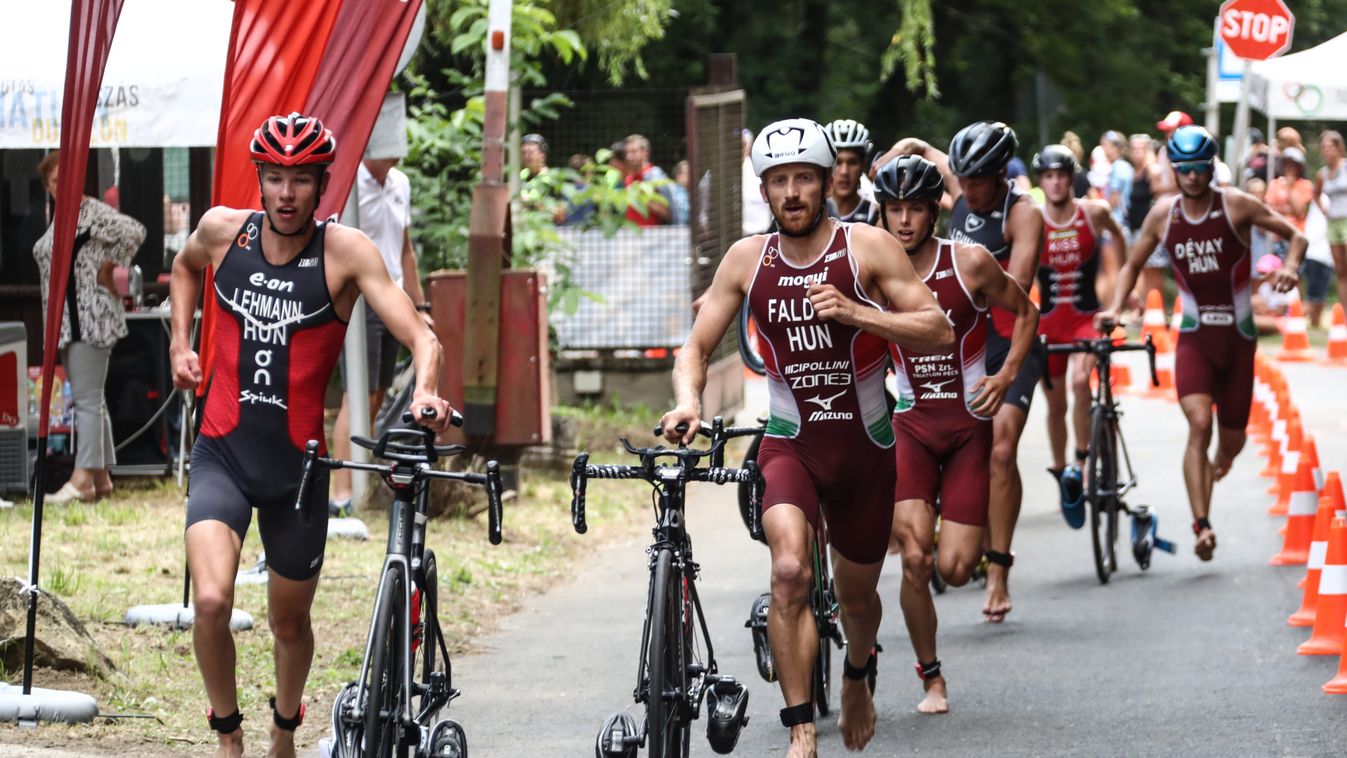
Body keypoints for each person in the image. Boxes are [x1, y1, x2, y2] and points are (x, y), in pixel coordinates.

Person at [661, 118, 952, 757]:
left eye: (803, 179)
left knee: (857, 599)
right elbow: (697, 344)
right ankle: (799, 727)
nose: (791, 192)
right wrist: (688, 400)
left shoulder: (868, 247)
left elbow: (937, 330)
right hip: (791, 443)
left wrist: (857, 313)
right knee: (789, 569)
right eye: (778, 181)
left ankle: (855, 675)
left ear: (824, 183)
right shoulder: (747, 258)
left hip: (865, 452)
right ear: (763, 190)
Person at [168, 113, 452, 758]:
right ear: (260, 182)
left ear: (321, 184)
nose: (286, 193)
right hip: (223, 452)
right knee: (211, 600)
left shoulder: (345, 252)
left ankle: (285, 730)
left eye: (300, 180)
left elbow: (420, 336)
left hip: (299, 468)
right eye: (274, 178)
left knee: (288, 624)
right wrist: (181, 343)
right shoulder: (222, 232)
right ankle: (229, 737)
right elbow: (184, 269)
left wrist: (427, 390)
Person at [873, 155, 1037, 715]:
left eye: (914, 209)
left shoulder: (970, 263)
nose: (903, 221)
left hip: (969, 428)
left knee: (955, 569)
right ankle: (932, 677)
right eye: (893, 209)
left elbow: (1027, 311)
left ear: (932, 212)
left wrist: (1007, 373)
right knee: (915, 560)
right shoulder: (872, 273)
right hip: (912, 426)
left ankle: (955, 532)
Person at [1095, 125, 1304, 562]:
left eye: (1199, 169)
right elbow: (1132, 264)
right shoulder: (1162, 215)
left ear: (1211, 168)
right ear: (1173, 168)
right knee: (1197, 424)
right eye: (1183, 169)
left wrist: (1290, 266)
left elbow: (1296, 237)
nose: (1191, 177)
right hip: (1193, 338)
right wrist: (1115, 308)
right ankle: (1202, 525)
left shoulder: (1236, 206)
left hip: (1239, 340)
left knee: (1231, 442)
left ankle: (1219, 466)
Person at [31, 151, 146, 503]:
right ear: (48, 187)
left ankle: (82, 479)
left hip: (88, 318)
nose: (58, 186)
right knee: (92, 400)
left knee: (87, 400)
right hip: (68, 322)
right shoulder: (61, 217)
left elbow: (134, 231)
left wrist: (109, 268)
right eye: (53, 181)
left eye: (64, 178)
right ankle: (101, 479)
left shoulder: (90, 212)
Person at [327, 152, 434, 514]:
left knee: (376, 396)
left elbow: (405, 251)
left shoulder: (401, 182)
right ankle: (341, 494)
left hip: (396, 296)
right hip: (360, 298)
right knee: (355, 396)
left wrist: (420, 308)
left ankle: (361, 481)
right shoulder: (350, 180)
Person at [1031, 145, 1123, 525]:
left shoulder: (1093, 212)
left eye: (1061, 175)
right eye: (1048, 176)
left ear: (1071, 178)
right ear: (1042, 181)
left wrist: (1117, 292)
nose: (1055, 183)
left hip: (1087, 317)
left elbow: (1121, 240)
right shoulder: (1032, 220)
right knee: (1055, 406)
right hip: (1049, 322)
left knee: (1082, 380)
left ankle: (1082, 463)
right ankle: (1061, 473)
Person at [1313, 130, 1347, 311]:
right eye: (1323, 147)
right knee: (1341, 271)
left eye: (1330, 147)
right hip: (1332, 223)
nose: (1326, 151)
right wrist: (1324, 210)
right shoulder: (1322, 173)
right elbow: (1316, 194)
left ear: (1338, 148)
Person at [823, 119, 878, 224]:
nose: (844, 172)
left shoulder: (875, 212)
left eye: (852, 162)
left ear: (863, 165)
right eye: (837, 162)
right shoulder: (812, 211)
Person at [1264, 147, 1313, 246]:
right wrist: (1288, 210)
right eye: (1286, 165)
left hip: (1296, 235)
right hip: (1277, 235)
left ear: (1299, 167)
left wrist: (1290, 188)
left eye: (1293, 165)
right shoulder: (1274, 183)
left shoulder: (1305, 185)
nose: (1289, 168)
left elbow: (1299, 211)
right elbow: (1269, 211)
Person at [623, 133, 671, 226]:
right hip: (629, 236)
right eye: (627, 153)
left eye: (633, 152)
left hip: (651, 236)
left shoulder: (655, 177)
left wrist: (641, 198)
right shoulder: (628, 179)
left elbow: (668, 214)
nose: (629, 157)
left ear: (645, 152)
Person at [742, 128, 773, 235]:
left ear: (749, 146)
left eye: (742, 144)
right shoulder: (715, 174)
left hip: (758, 234)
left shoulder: (759, 172)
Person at [1251, 253, 1291, 334]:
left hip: (1283, 320)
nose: (1265, 276)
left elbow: (1282, 311)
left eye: (1269, 274)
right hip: (1268, 317)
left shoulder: (1286, 287)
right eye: (1261, 273)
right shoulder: (1264, 287)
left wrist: (1264, 309)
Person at [1100, 131, 1134, 228]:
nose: (1103, 148)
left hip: (1118, 221)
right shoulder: (1126, 166)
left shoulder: (1117, 167)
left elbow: (1114, 199)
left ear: (1115, 148)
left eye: (1105, 145)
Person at [669, 159, 691, 225]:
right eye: (687, 173)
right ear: (678, 175)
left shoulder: (692, 192)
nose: (690, 176)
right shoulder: (671, 188)